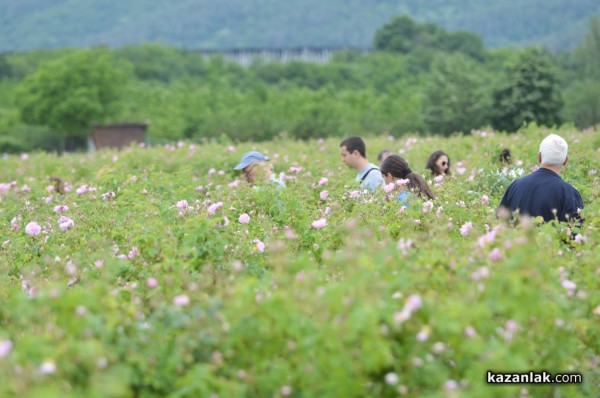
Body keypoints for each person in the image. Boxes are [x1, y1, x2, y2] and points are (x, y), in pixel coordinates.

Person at [498, 134, 584, 223]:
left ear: (539, 157)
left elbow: (499, 223)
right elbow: (575, 232)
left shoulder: (515, 185)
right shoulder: (569, 193)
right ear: (565, 160)